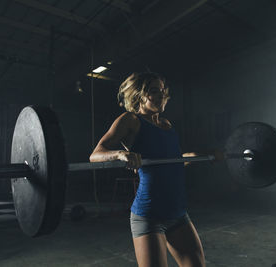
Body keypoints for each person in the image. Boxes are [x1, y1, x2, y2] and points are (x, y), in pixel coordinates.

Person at [90, 72, 221, 267]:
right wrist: (120, 154)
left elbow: (173, 161)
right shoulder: (130, 120)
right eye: (153, 91)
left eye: (162, 91)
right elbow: (95, 155)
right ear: (139, 95)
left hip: (177, 213)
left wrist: (200, 156)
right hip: (149, 216)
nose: (161, 96)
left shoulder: (166, 124)